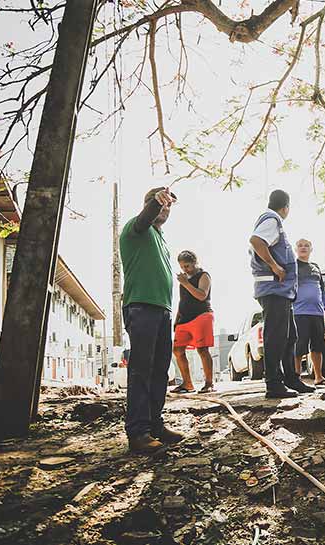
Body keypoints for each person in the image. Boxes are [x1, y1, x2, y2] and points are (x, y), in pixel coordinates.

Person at [119, 187, 184, 454]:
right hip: (141, 308)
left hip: (162, 310)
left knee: (160, 371)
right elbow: (145, 218)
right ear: (149, 205)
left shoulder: (161, 239)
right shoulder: (136, 229)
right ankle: (138, 433)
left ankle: (155, 425)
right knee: (141, 371)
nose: (164, 210)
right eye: (161, 205)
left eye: (168, 207)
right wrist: (155, 204)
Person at [249, 190, 315, 399]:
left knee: (289, 336)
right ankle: (274, 384)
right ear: (286, 207)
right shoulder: (272, 220)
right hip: (273, 289)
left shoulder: (272, 221)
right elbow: (256, 241)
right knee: (276, 337)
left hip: (282, 292)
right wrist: (274, 266)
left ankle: (291, 378)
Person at [171, 251, 215, 394]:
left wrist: (186, 283)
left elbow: (202, 295)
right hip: (184, 318)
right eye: (182, 266)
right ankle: (187, 384)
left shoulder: (204, 276)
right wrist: (177, 319)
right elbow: (182, 300)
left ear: (195, 262)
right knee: (177, 350)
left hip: (201, 315)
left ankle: (209, 383)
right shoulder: (184, 279)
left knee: (202, 349)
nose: (185, 269)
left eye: (188, 266)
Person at [293, 239, 325, 386]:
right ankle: (296, 378)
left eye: (306, 246)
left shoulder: (316, 267)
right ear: (296, 249)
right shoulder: (293, 266)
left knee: (318, 345)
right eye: (300, 246)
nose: (303, 248)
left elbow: (322, 289)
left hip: (317, 313)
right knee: (300, 345)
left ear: (311, 249)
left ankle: (318, 377)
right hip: (299, 313)